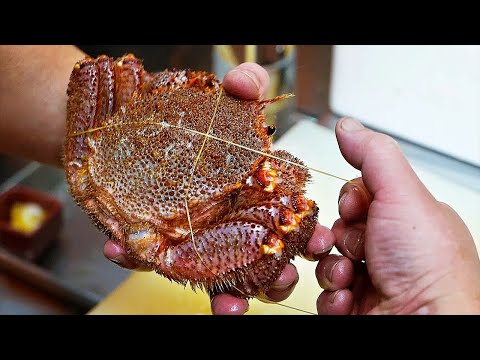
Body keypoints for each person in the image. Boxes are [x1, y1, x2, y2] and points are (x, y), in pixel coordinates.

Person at [1, 45, 479, 315]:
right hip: (162, 236)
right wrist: (441, 294)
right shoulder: (229, 202)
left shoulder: (95, 148)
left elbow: (105, 74)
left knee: (112, 69)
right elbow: (274, 233)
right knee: (289, 218)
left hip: (96, 166)